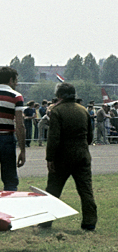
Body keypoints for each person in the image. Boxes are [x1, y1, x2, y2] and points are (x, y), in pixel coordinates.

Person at [44, 82, 97, 231]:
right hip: (82, 154)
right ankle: (89, 222)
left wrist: (50, 158)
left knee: (53, 189)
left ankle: (46, 220)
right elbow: (90, 136)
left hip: (62, 156)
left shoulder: (57, 111)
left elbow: (54, 137)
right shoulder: (83, 110)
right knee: (86, 190)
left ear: (59, 95)